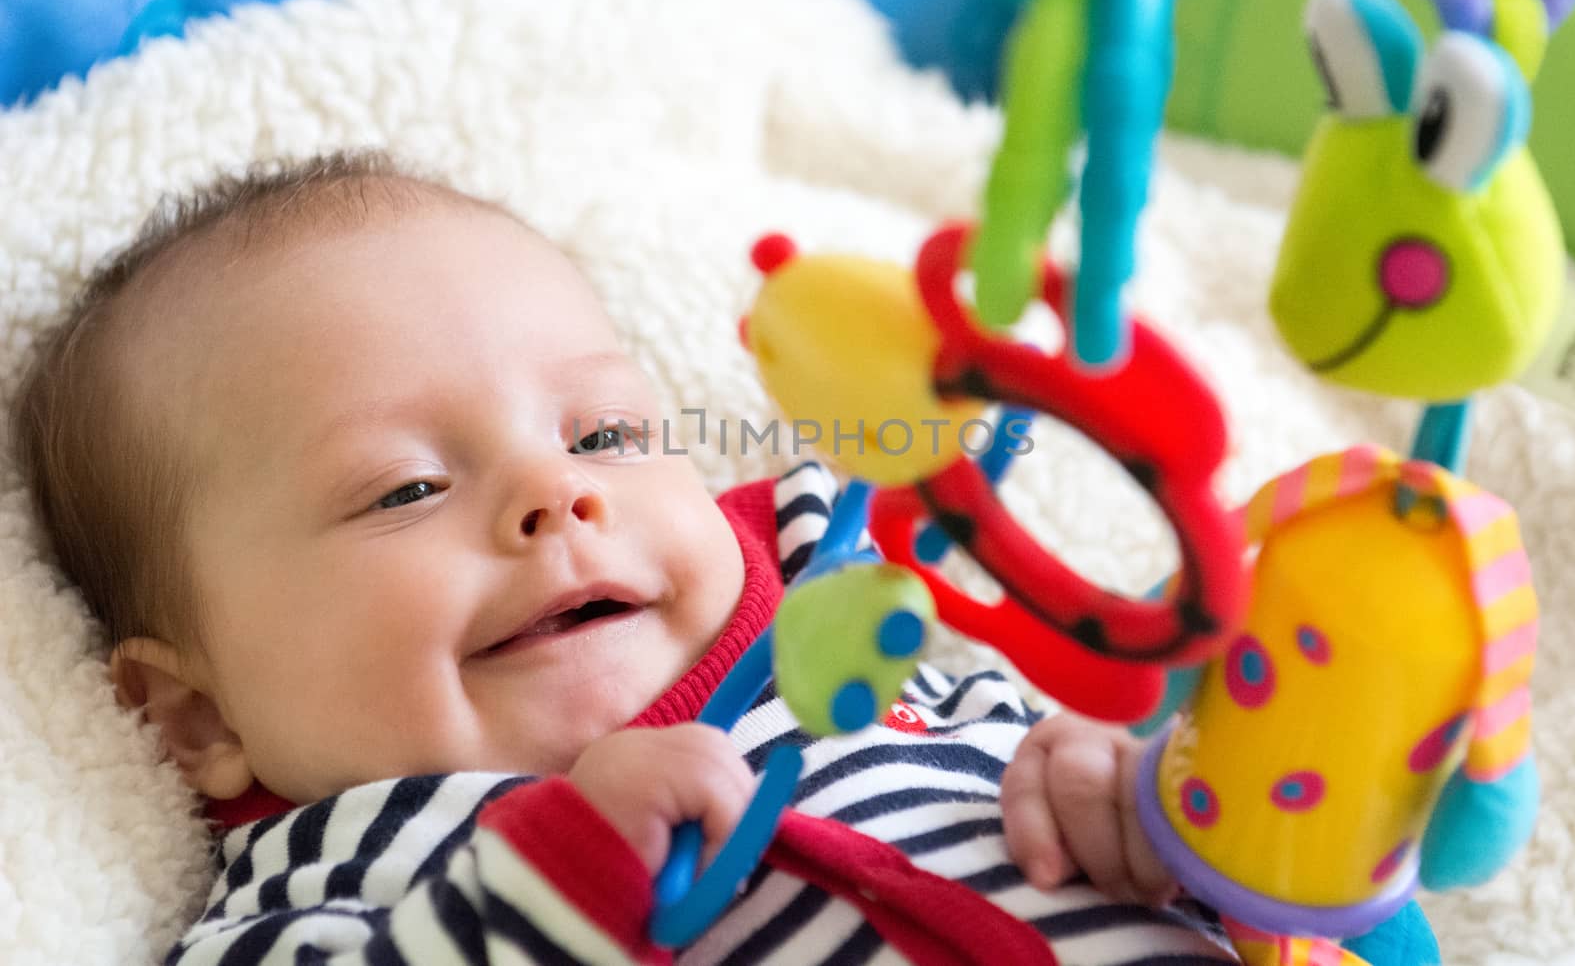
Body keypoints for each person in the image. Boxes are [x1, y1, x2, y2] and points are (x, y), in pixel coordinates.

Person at [11, 151, 1237, 964]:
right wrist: (563, 876)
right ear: (191, 715)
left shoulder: (847, 613)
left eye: (602, 433)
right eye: (406, 487)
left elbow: (1092, 770)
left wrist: (1129, 803)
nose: (557, 492)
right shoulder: (343, 872)